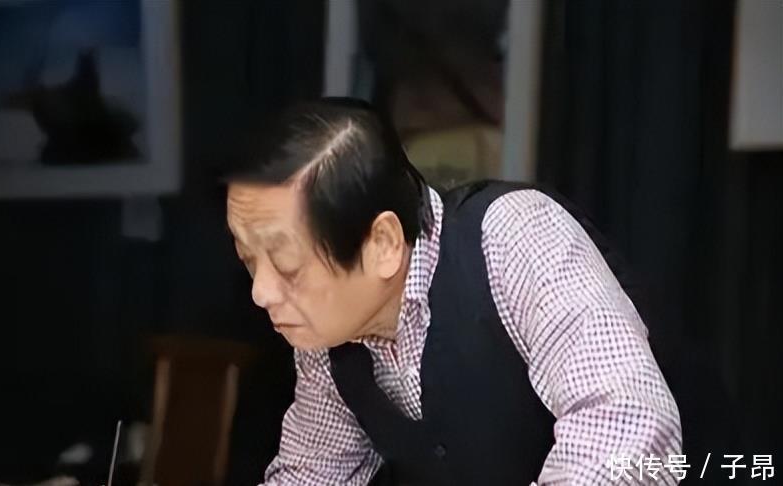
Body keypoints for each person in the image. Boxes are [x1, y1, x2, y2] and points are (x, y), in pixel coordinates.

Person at [223, 98, 682, 485]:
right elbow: (311, 475)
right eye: (249, 260)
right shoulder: (329, 338)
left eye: (287, 266)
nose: (261, 293)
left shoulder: (514, 238)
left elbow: (629, 426)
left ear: (382, 243)